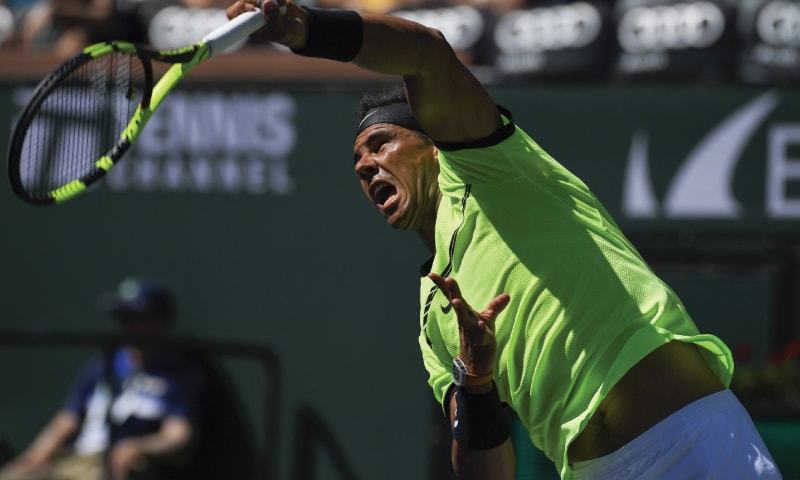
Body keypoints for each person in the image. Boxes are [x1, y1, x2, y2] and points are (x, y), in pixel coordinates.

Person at [225, 2, 782, 478]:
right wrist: (476, 379)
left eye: (381, 144)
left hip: (696, 443)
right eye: (356, 163)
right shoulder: (433, 316)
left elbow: (428, 55)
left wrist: (306, 30)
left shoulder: (490, 171)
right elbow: (488, 470)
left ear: (434, 146)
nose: (366, 166)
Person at [0, 279, 201, 480]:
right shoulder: (103, 366)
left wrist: (134, 448)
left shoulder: (178, 375)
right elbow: (67, 419)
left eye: (138, 319)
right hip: (76, 460)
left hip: (120, 465)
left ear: (161, 321)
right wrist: (35, 456)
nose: (129, 327)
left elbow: (178, 435)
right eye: (123, 318)